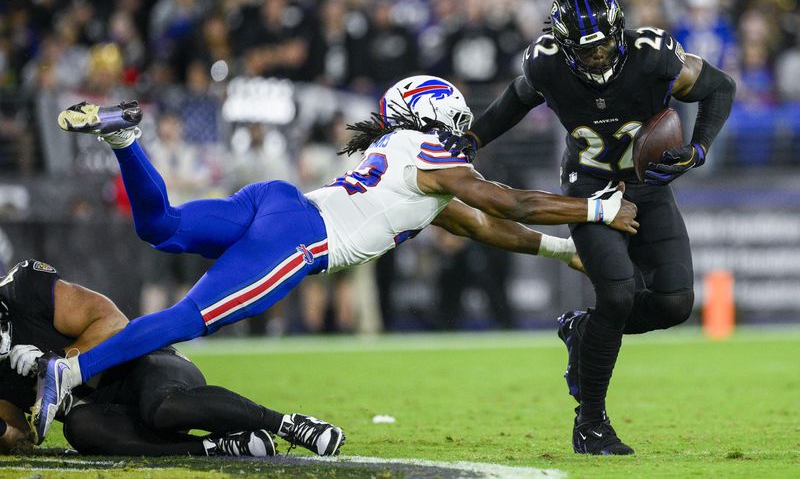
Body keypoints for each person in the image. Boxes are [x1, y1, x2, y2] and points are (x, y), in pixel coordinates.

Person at [31, 75, 640, 443]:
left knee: (160, 227)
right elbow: (508, 202)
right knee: (190, 318)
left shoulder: (410, 166)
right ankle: (71, 374)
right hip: (298, 237)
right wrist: (594, 211)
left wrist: (564, 252)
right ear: (440, 116)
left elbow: (486, 225)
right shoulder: (429, 158)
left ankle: (124, 140)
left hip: (276, 204)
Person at [439, 0, 736, 455]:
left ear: (620, 30)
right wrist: (473, 139)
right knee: (617, 294)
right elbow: (516, 101)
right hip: (589, 187)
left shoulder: (652, 54)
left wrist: (698, 148)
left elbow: (720, 87)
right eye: (587, 49)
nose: (598, 56)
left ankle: (582, 330)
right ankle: (591, 423)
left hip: (648, 187)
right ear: (565, 43)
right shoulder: (547, 63)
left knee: (675, 303)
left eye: (604, 45)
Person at [0, 259, 345, 457]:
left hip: (150, 366)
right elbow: (21, 437)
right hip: (108, 413)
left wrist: (57, 361)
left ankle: (287, 424)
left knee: (162, 408)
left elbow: (113, 321)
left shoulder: (25, 289)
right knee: (81, 428)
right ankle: (215, 447)